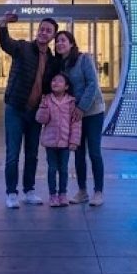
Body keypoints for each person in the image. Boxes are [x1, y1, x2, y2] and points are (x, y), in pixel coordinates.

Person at [0, 12, 59, 208]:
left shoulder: (52, 59)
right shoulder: (23, 47)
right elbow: (5, 42)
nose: (44, 32)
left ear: (52, 36)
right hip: (15, 108)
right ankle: (11, 193)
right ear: (37, 31)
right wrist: (3, 24)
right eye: (42, 29)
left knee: (32, 153)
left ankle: (29, 190)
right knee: (13, 153)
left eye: (48, 31)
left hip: (35, 113)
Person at [54, 30, 106, 206]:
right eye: (57, 41)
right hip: (74, 114)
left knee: (94, 152)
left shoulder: (84, 59)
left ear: (71, 43)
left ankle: (98, 192)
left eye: (63, 40)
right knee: (78, 152)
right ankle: (82, 191)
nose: (59, 44)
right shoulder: (61, 65)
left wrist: (82, 107)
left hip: (93, 112)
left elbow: (92, 83)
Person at [36, 73, 82, 207]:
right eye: (53, 80)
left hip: (65, 142)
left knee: (63, 169)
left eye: (60, 81)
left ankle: (63, 194)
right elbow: (41, 119)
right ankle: (52, 195)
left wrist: (74, 141)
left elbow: (76, 123)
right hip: (50, 142)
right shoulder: (47, 100)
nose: (55, 83)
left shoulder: (71, 102)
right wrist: (43, 107)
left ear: (67, 86)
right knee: (52, 169)